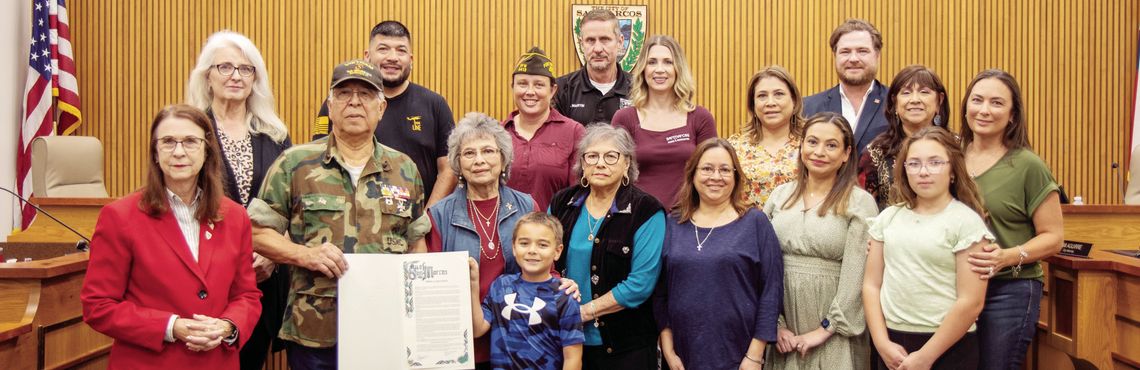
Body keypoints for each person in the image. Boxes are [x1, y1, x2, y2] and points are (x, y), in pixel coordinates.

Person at [247, 60, 429, 370]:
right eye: (344, 94)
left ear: (381, 108)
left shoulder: (404, 168)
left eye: (366, 94)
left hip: (386, 329)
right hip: (316, 333)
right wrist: (303, 255)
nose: (355, 102)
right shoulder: (295, 164)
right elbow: (254, 232)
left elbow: (416, 245)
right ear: (331, 106)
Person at [81, 104, 262, 369]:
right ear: (155, 152)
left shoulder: (234, 216)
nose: (179, 152)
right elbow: (98, 305)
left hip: (216, 361)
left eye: (190, 141)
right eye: (167, 142)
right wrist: (170, 326)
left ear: (207, 150)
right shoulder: (120, 216)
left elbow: (247, 295)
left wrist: (227, 326)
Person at [426, 112, 580, 368]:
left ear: (503, 157)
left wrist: (563, 285)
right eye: (469, 153)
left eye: (488, 151)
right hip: (460, 345)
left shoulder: (526, 204)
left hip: (519, 344)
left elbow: (544, 266)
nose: (480, 161)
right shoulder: (440, 215)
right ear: (457, 163)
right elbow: (432, 287)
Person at [185, 30, 292, 370]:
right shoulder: (189, 130)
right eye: (226, 67)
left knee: (251, 359)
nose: (235, 76)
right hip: (205, 275)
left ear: (255, 79)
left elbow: (294, 206)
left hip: (263, 276)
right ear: (208, 76)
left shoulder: (275, 133)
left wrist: (273, 252)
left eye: (246, 69)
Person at [863, 126, 992, 370]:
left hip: (947, 345)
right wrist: (881, 343)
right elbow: (871, 285)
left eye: (935, 163)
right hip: (892, 343)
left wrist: (925, 357)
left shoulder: (966, 222)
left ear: (953, 169)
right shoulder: (888, 218)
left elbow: (971, 301)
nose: (923, 172)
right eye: (914, 164)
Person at [959, 69, 1063, 370]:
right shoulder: (952, 157)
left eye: (996, 103)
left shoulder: (1028, 165)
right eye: (977, 100)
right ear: (966, 106)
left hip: (1008, 291)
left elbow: (1054, 237)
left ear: (1013, 115)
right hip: (957, 288)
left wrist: (1006, 257)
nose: (984, 110)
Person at [655, 138, 783, 370]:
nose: (716, 177)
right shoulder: (673, 222)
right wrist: (668, 347)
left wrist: (755, 355)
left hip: (739, 354)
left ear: (736, 176)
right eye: (707, 169)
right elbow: (660, 290)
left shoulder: (755, 223)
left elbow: (771, 291)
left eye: (725, 169)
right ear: (692, 174)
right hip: (682, 356)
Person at [763, 113, 878, 369]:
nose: (819, 152)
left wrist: (826, 328)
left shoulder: (860, 203)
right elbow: (762, 264)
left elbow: (858, 273)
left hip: (836, 332)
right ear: (801, 145)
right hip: (784, 332)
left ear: (847, 153)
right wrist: (777, 324)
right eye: (812, 142)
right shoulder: (780, 195)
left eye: (831, 145)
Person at [548, 124, 665, 370]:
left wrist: (580, 313)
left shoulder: (646, 210)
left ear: (626, 164)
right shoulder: (562, 203)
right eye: (592, 156)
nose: (600, 163)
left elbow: (640, 285)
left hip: (625, 347)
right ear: (582, 163)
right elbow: (543, 263)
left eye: (611, 156)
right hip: (564, 342)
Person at [313, 20, 457, 207]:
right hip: (350, 218)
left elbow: (449, 169)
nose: (392, 57)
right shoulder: (342, 103)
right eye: (383, 49)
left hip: (415, 222)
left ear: (411, 60)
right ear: (367, 56)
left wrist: (428, 218)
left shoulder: (435, 104)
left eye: (401, 50)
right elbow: (319, 160)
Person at [468, 212, 585, 370]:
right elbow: (477, 329)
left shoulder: (565, 296)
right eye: (524, 243)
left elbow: (573, 359)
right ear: (514, 247)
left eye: (542, 245)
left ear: (557, 251)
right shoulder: (501, 286)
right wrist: (473, 284)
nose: (532, 250)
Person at [612, 35, 717, 207]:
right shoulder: (624, 118)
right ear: (643, 69)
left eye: (668, 62)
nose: (659, 69)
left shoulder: (700, 118)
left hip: (688, 219)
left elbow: (713, 173)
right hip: (640, 221)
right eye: (652, 62)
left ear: (678, 68)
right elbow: (615, 175)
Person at [503, 46, 586, 210]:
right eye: (522, 84)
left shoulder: (574, 132)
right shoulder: (497, 133)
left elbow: (579, 196)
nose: (530, 92)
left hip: (553, 232)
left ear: (553, 90)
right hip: (503, 233)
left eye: (539, 85)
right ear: (512, 87)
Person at [858, 65, 950, 210]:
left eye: (924, 92)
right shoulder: (874, 153)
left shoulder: (956, 147)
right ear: (894, 102)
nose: (914, 99)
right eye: (906, 93)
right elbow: (862, 209)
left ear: (939, 100)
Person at [803, 19, 889, 156]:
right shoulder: (808, 107)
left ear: (877, 55)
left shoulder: (896, 104)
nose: (853, 59)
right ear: (835, 56)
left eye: (862, 51)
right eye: (845, 52)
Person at [728, 66, 805, 207]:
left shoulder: (811, 142)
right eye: (762, 96)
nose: (770, 102)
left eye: (779, 94)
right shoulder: (734, 146)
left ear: (794, 101)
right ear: (753, 105)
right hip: (748, 227)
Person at [554, 8, 632, 125]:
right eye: (590, 40)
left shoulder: (639, 88)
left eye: (605, 39)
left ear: (620, 42)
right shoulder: (561, 90)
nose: (597, 49)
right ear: (581, 44)